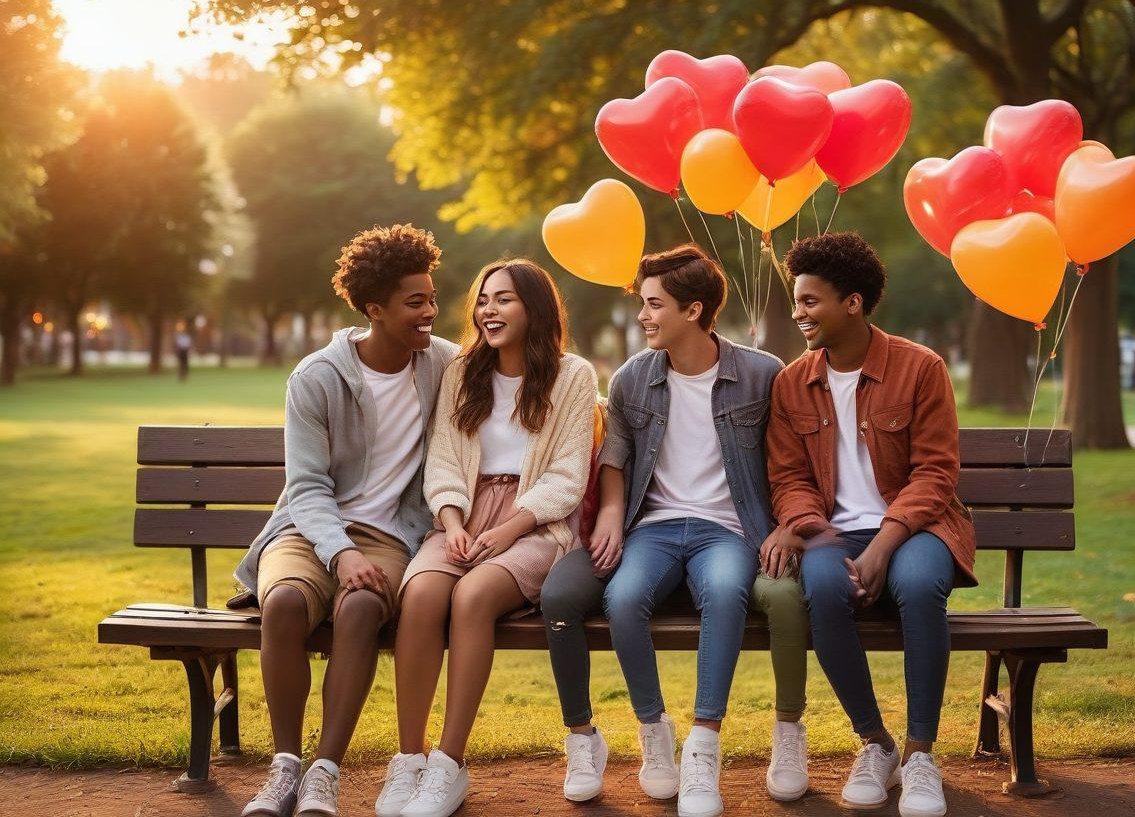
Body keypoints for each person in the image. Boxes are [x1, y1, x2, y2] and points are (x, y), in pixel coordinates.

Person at [541, 243, 783, 817]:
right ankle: (655, 733)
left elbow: (788, 459)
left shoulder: (761, 375)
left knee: (725, 593)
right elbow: (616, 458)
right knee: (624, 598)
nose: (644, 316)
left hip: (727, 530)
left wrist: (787, 525)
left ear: (693, 311)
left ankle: (703, 745)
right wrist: (609, 518)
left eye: (654, 305)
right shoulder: (632, 379)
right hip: (653, 526)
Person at [235, 224, 458, 817]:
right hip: (309, 529)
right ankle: (284, 769)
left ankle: (324, 773)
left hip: (390, 536)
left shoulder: (443, 366)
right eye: (416, 303)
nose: (431, 312)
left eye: (433, 299)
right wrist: (340, 552)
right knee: (282, 603)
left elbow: (518, 366)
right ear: (375, 309)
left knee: (360, 607)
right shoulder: (317, 378)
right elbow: (306, 488)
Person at [764, 231, 977, 817]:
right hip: (835, 531)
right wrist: (809, 525)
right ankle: (876, 744)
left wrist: (885, 543)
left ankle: (920, 754)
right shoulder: (791, 382)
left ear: (852, 303)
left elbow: (935, 474)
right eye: (796, 299)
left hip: (917, 526)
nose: (798, 311)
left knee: (918, 585)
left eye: (810, 301)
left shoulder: (919, 368)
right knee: (825, 588)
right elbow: (788, 478)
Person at [387, 258, 597, 817]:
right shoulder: (462, 372)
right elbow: (444, 463)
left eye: (503, 299)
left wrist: (508, 529)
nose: (488, 310)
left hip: (535, 523)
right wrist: (453, 523)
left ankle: (449, 765)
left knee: (473, 596)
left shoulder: (573, 375)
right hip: (462, 514)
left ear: (534, 307)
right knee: (423, 595)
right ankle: (410, 759)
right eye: (483, 300)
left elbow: (568, 477)